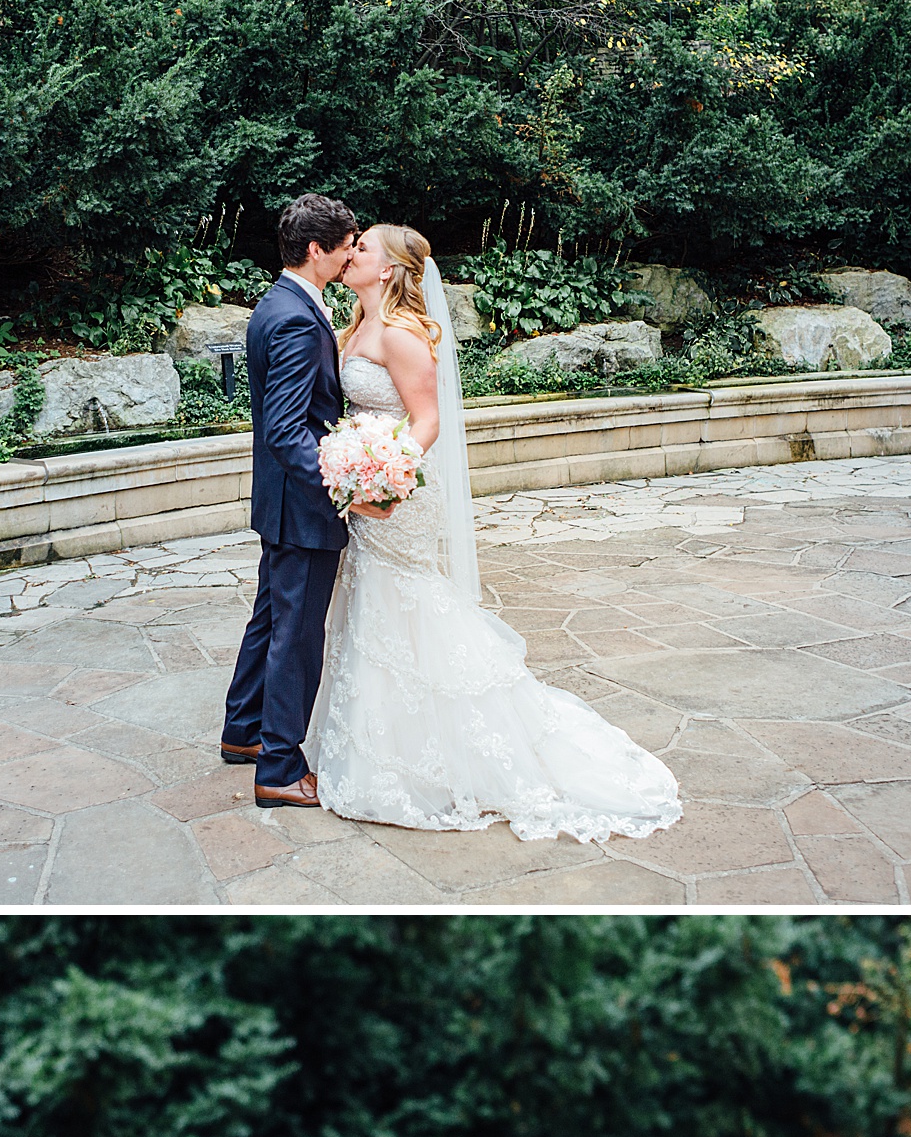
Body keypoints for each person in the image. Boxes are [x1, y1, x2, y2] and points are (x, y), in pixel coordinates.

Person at [309, 222, 685, 843]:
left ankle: (433, 756)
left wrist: (383, 479)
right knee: (371, 606)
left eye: (365, 247)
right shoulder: (353, 325)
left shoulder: (403, 334)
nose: (353, 253)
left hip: (396, 496)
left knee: (406, 605)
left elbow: (426, 422)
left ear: (391, 269)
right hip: (369, 486)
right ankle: (381, 744)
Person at [221, 192, 359, 809]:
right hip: (303, 506)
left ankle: (244, 732)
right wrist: (344, 485)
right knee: (297, 636)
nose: (352, 254)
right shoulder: (300, 319)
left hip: (279, 502)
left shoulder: (278, 302)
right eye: (346, 246)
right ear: (316, 249)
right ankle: (278, 767)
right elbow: (285, 431)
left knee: (272, 619)